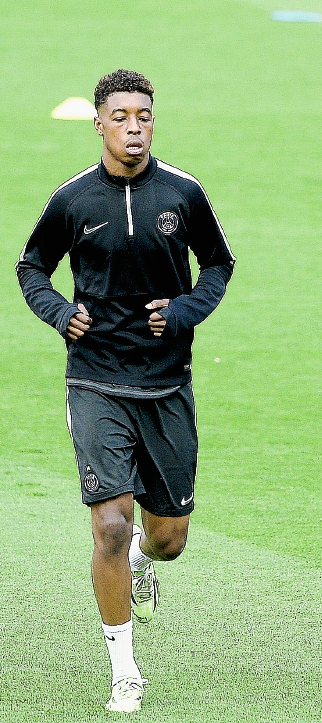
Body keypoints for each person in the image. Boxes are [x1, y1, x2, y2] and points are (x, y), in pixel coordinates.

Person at [16, 69, 235, 711]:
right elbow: (31, 266)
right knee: (109, 524)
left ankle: (147, 551)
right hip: (95, 380)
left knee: (168, 540)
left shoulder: (184, 194)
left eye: (144, 116)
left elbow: (218, 264)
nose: (133, 127)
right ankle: (124, 667)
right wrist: (61, 314)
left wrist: (189, 310)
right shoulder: (73, 200)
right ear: (99, 124)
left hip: (166, 385)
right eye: (121, 117)